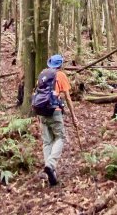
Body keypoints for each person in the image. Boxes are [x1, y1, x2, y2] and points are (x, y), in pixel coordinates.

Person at [38, 54, 78, 186]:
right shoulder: (61, 75)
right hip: (55, 111)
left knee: (47, 142)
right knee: (60, 138)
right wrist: (73, 116)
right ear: (60, 64)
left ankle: (51, 172)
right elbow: (67, 97)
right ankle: (50, 164)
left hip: (42, 112)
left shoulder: (42, 74)